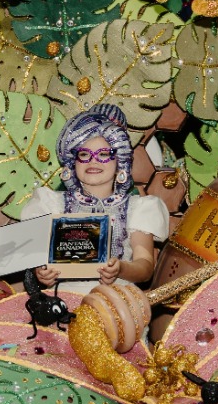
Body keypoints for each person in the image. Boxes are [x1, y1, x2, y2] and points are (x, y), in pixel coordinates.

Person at [22, 104, 169, 297]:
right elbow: (37, 261)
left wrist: (120, 269)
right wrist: (42, 273)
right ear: (72, 162)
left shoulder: (138, 208)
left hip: (116, 301)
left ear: (120, 161)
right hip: (61, 301)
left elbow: (145, 267)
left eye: (103, 154)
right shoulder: (51, 204)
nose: (93, 161)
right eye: (84, 154)